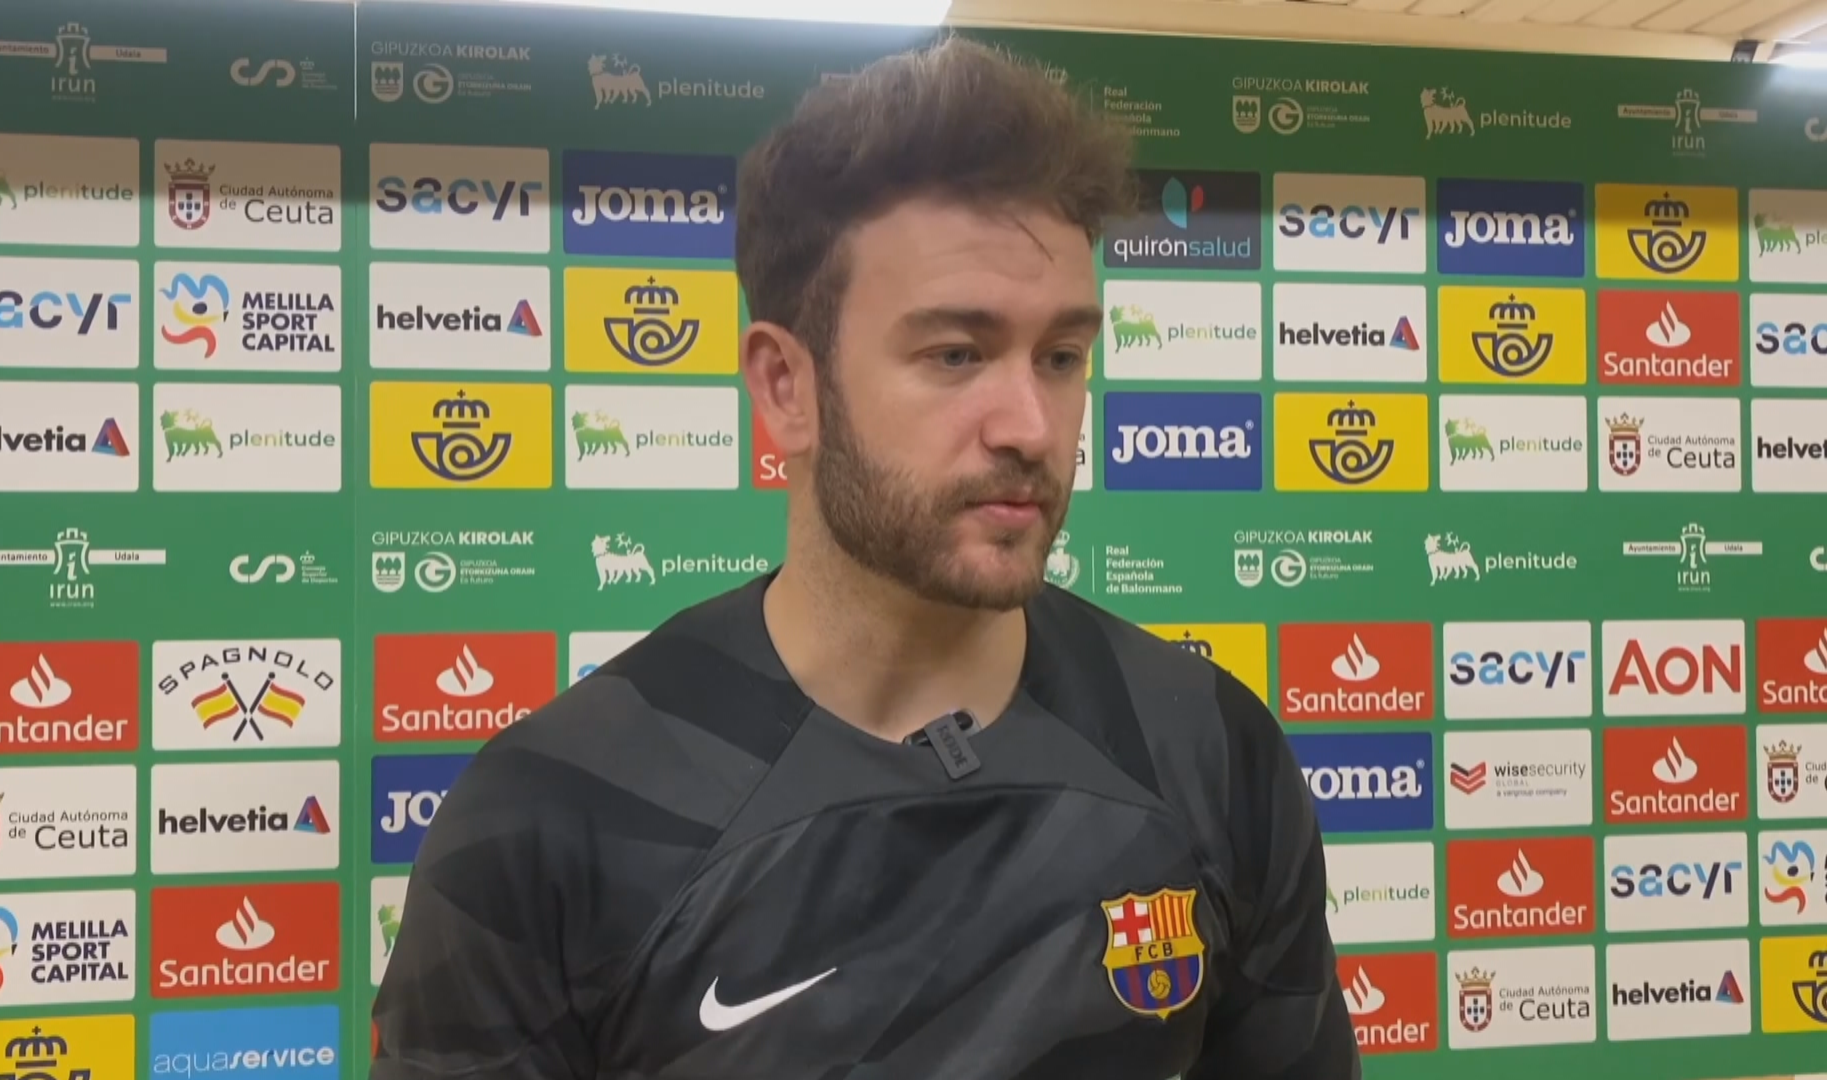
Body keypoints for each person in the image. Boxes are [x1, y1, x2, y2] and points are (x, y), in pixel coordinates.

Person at [371, 34, 1359, 1080]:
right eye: (956, 353)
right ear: (785, 387)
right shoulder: (551, 818)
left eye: (1062, 356)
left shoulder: (1212, 752)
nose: (1031, 424)